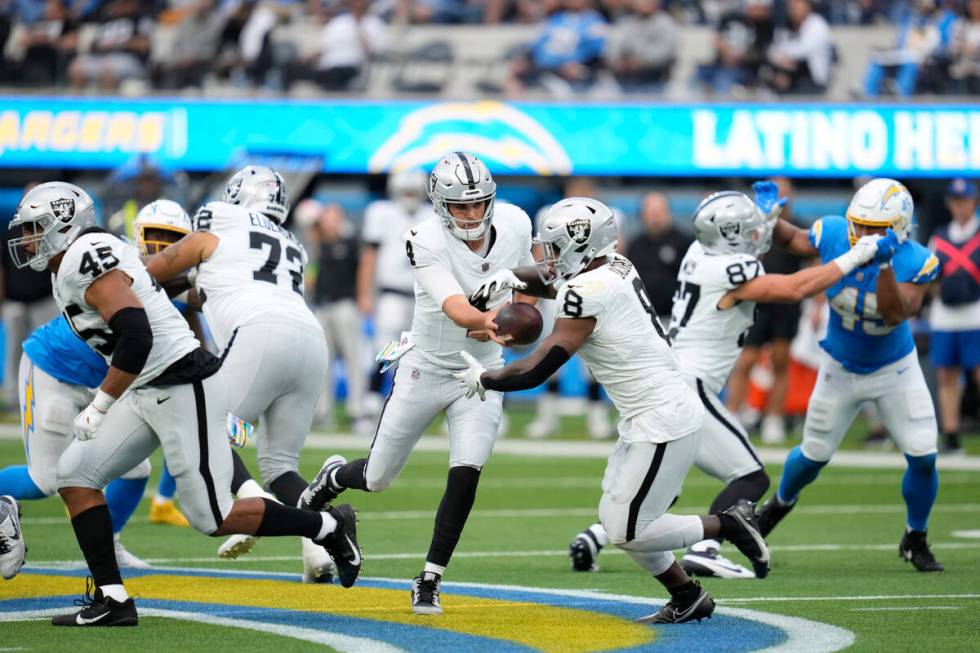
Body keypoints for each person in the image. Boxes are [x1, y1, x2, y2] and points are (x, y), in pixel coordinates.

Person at [5, 181, 361, 624]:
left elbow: (137, 333)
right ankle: (113, 600)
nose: (27, 239)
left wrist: (99, 405)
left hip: (180, 383)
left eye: (36, 228)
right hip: (148, 386)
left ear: (65, 224)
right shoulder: (74, 261)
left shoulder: (83, 255)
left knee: (212, 516)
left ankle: (328, 525)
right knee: (75, 476)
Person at [456, 196, 772, 623]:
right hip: (652, 411)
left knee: (628, 530)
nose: (546, 256)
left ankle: (730, 525)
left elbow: (538, 368)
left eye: (553, 246)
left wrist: (485, 378)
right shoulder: (614, 265)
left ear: (580, 244)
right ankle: (687, 596)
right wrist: (512, 277)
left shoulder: (587, 292)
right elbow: (557, 281)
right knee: (615, 517)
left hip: (663, 416)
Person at [566, 187, 883, 579]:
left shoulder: (700, 252)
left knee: (662, 483)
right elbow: (794, 289)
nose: (758, 236)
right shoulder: (729, 271)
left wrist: (767, 214)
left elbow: (755, 240)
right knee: (751, 476)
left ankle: (595, 537)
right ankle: (706, 547)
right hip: (690, 387)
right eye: (749, 230)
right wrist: (857, 255)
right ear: (731, 237)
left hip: (672, 380)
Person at [300, 152, 534, 615]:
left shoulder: (515, 222)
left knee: (466, 474)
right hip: (425, 365)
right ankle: (334, 475)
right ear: (439, 204)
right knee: (377, 477)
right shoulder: (423, 238)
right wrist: (499, 321)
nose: (471, 214)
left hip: (481, 370)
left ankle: (429, 578)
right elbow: (457, 308)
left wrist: (522, 312)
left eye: (478, 204)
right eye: (460, 206)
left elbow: (525, 277)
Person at [145, 166, 339, 585]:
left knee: (205, 426)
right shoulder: (291, 243)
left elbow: (157, 270)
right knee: (281, 463)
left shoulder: (219, 218)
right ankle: (317, 539)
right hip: (309, 340)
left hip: (260, 332)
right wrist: (187, 284)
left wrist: (124, 274)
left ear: (236, 195)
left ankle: (252, 498)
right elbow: (208, 291)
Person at [757, 178, 945, 573]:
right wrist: (771, 219)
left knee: (924, 454)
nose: (863, 234)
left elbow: (898, 314)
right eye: (859, 224)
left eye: (875, 229)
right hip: (840, 366)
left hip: (895, 368)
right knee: (813, 455)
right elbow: (793, 240)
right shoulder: (834, 233)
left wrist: (883, 267)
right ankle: (778, 505)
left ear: (898, 228)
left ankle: (916, 535)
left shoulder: (916, 260)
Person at [726, 177, 804, 444]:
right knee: (746, 360)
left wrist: (816, 302)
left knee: (782, 360)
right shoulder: (750, 226)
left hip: (786, 302)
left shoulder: (799, 227)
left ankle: (773, 418)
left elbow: (812, 262)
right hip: (756, 300)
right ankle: (732, 416)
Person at [357, 168, 431, 414]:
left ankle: (413, 402)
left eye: (413, 191)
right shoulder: (381, 212)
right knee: (387, 345)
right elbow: (370, 255)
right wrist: (365, 293)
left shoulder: (432, 215)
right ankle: (372, 395)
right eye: (405, 191)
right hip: (392, 294)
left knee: (424, 350)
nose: (409, 195)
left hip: (425, 296)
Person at [929, 178, 980, 454]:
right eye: (956, 201)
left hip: (976, 315)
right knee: (947, 376)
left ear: (974, 202)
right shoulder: (939, 237)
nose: (961, 206)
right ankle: (951, 434)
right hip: (945, 316)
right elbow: (928, 276)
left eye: (966, 200)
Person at [310, 203, 369, 431]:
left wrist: (364, 297)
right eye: (327, 218)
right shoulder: (317, 245)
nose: (330, 223)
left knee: (353, 359)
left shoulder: (350, 242)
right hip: (322, 307)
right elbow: (311, 276)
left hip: (345, 305)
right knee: (323, 362)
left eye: (334, 218)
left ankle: (357, 411)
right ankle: (323, 412)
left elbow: (363, 269)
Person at [1, 184, 60, 413]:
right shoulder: (10, 232)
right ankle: (12, 400)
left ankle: (50, 395)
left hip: (44, 300)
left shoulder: (51, 229)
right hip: (15, 301)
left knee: (49, 349)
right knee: (13, 351)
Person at [626, 192, 692, 318]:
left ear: (669, 213)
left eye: (659, 212)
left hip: (675, 317)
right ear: (642, 215)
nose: (655, 217)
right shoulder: (635, 244)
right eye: (650, 212)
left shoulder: (685, 243)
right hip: (643, 318)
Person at [765, 0, 833, 95]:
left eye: (797, 4)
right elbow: (773, 49)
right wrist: (778, 57)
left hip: (814, 81)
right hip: (791, 75)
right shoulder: (787, 24)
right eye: (791, 5)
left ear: (808, 6)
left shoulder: (817, 23)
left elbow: (803, 50)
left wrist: (781, 55)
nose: (794, 9)